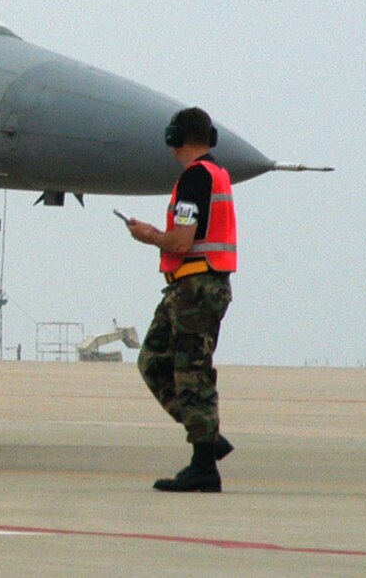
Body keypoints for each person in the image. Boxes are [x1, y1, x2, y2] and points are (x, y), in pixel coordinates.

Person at [124, 106, 238, 492]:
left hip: (197, 288)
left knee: (192, 373)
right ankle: (205, 433)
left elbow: (181, 241)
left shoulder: (195, 178)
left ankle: (204, 465)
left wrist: (149, 235)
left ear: (175, 138)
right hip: (189, 286)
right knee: (153, 361)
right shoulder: (218, 175)